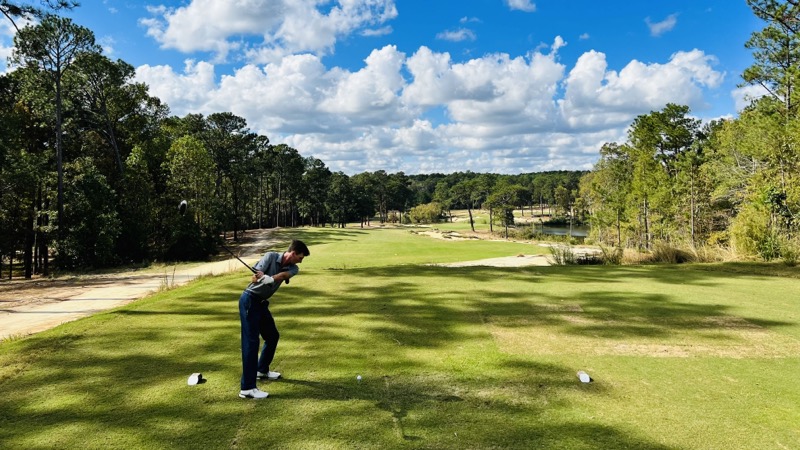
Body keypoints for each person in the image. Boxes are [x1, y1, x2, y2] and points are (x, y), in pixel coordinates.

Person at [238, 239, 309, 399]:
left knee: (272, 336)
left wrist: (271, 278)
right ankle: (247, 388)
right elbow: (254, 279)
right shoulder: (270, 256)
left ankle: (261, 370)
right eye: (300, 257)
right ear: (293, 252)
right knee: (251, 342)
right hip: (250, 300)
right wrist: (260, 276)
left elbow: (285, 275)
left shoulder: (293, 268)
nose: (301, 260)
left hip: (261, 304)